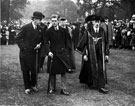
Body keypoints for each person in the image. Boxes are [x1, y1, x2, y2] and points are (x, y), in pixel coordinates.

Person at [77, 15, 109, 94]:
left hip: (101, 53)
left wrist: (107, 54)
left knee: (101, 69)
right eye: (95, 22)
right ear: (92, 22)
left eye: (98, 22)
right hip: (91, 54)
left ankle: (101, 86)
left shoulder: (102, 31)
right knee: (90, 69)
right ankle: (91, 82)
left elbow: (106, 43)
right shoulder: (88, 32)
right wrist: (84, 54)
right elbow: (83, 44)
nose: (97, 23)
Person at [15, 11, 45, 94]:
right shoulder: (26, 27)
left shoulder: (40, 29)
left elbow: (42, 40)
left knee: (35, 70)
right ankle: (27, 87)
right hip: (25, 54)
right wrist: (24, 47)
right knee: (26, 70)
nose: (40, 21)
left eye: (41, 20)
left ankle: (33, 85)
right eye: (39, 20)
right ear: (35, 19)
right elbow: (17, 38)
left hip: (35, 54)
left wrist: (40, 44)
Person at [44, 14, 72, 96]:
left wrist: (66, 51)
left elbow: (67, 42)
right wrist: (48, 52)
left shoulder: (63, 30)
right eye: (52, 21)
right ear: (51, 22)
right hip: (53, 54)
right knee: (52, 72)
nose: (54, 23)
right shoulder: (48, 31)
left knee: (63, 72)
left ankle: (63, 89)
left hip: (62, 53)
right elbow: (45, 43)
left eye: (55, 21)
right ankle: (52, 88)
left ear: (58, 21)